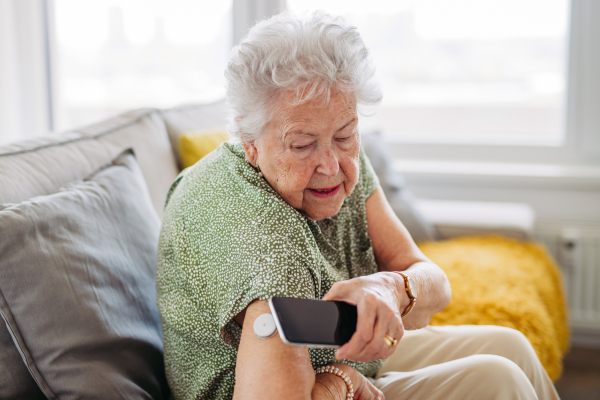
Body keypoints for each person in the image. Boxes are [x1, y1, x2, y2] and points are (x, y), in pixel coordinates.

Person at [156, 11, 560, 400]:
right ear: (250, 143)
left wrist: (391, 287)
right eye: (302, 145)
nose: (331, 166)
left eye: (346, 135)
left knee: (512, 345)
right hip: (277, 383)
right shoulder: (250, 229)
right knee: (497, 380)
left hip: (330, 347)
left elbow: (433, 283)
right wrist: (339, 382)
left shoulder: (339, 158)